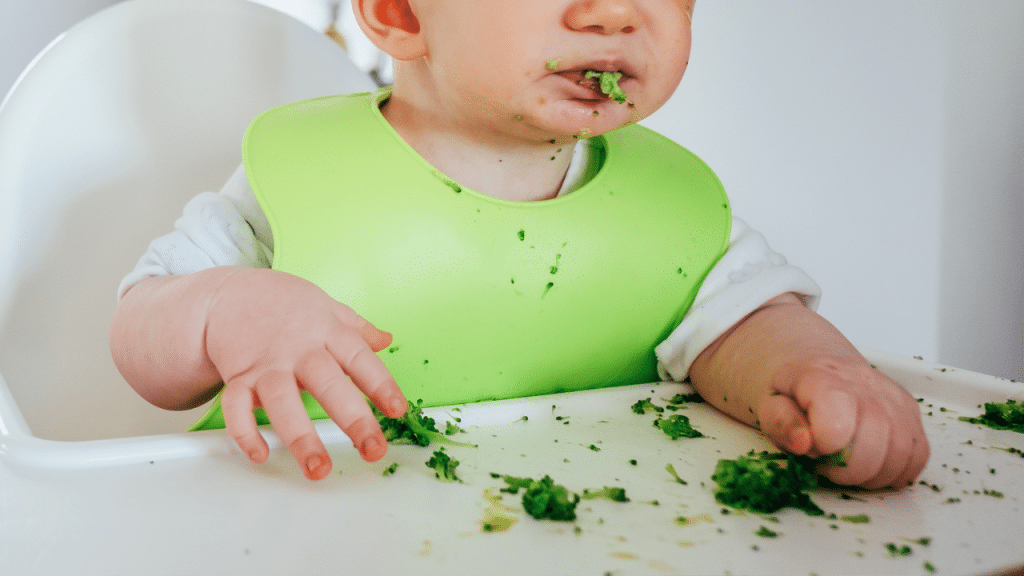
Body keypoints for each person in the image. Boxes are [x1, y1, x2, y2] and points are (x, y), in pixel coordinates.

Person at [110, 0, 929, 486]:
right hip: (301, 527)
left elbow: (743, 324)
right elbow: (141, 340)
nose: (612, 12)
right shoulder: (302, 179)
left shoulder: (668, 210)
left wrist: (819, 376)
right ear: (399, 11)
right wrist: (225, 310)